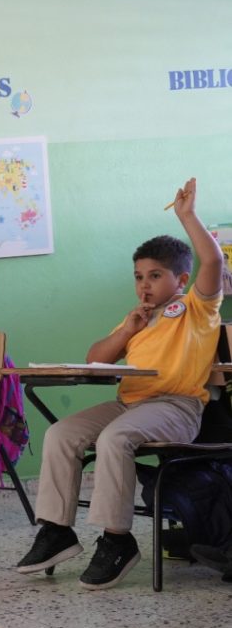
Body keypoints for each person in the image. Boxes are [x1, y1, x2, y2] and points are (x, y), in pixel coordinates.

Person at [16, 178, 224, 590]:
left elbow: (214, 264)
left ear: (181, 281)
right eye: (138, 276)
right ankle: (57, 529)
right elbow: (97, 359)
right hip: (130, 404)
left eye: (155, 275)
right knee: (61, 433)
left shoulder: (195, 308)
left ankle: (117, 539)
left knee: (114, 439)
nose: (144, 284)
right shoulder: (139, 318)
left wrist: (188, 216)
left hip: (176, 407)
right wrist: (126, 332)